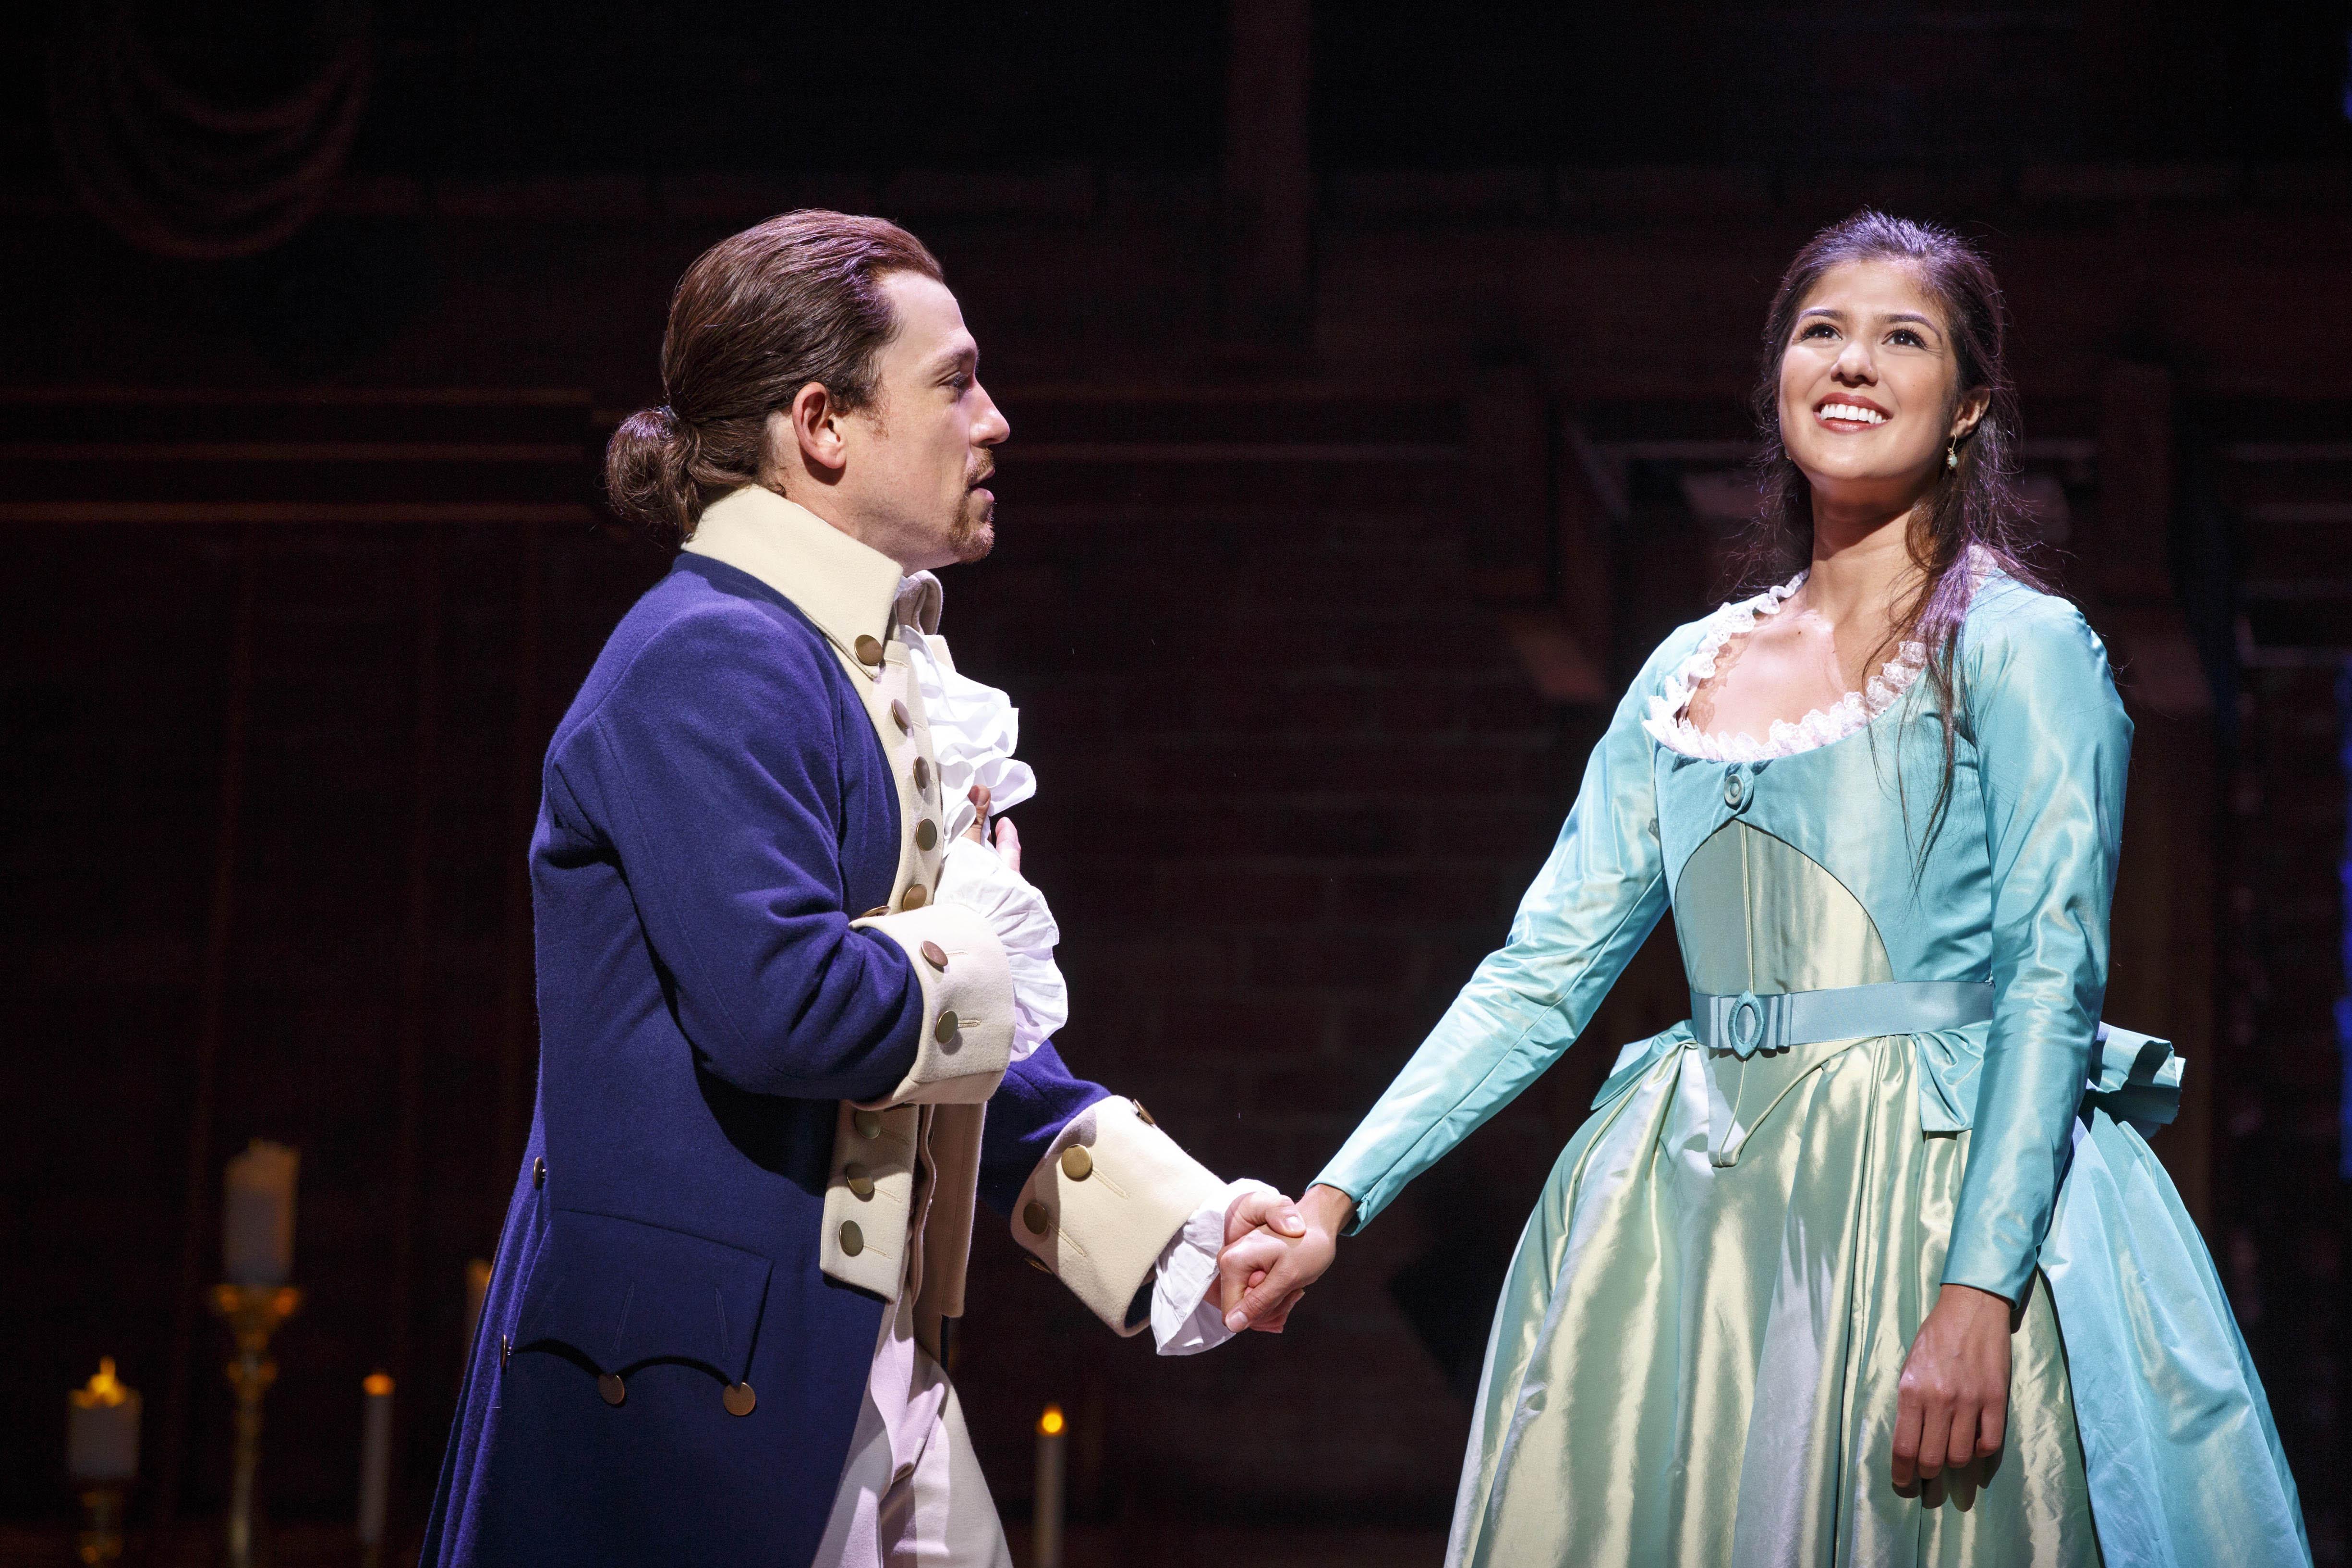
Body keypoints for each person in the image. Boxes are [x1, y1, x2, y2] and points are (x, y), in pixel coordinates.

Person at [1216, 211, 2310, 1566]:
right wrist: (1335, 1198)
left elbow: (2050, 977)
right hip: (1694, 1222)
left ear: (1968, 402)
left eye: (1901, 338)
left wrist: (1979, 1288)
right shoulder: (1689, 670)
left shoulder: (2024, 650)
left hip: (1927, 1199)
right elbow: (1541, 968)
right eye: (1820, 332)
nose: (1852, 364)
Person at [421, 210, 1302, 1568]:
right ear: (821, 424)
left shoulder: (850, 667)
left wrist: (1170, 1219)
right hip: (692, 1395)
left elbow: (919, 1054)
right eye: (952, 382)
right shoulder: (709, 656)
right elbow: (788, 1010)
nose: (994, 420)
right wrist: (977, 939)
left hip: (854, 1370)